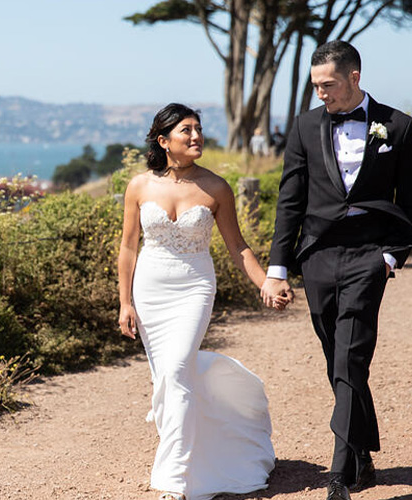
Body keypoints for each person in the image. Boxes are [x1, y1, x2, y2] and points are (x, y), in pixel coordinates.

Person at [260, 41, 412, 500]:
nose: (321, 95)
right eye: (315, 86)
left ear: (354, 77)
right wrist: (279, 267)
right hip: (317, 256)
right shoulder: (304, 126)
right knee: (338, 359)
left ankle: (338, 475)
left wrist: (389, 256)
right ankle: (363, 456)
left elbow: (411, 203)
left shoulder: (399, 126)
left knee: (351, 355)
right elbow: (289, 201)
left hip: (368, 256)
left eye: (327, 85)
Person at [118, 103, 281, 500]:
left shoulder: (217, 187)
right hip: (151, 289)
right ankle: (206, 453)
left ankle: (175, 480)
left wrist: (267, 282)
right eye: (186, 131)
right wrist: (125, 303)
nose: (196, 137)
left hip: (194, 287)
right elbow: (127, 247)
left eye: (198, 129)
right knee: (169, 379)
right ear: (164, 140)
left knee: (175, 371)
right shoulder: (140, 186)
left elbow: (237, 246)